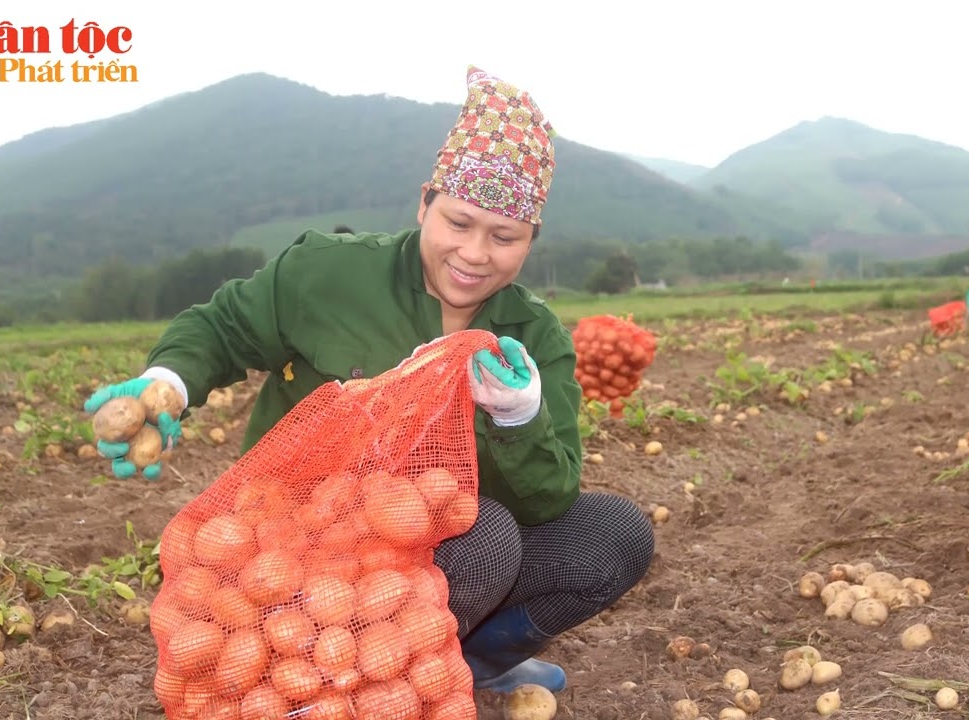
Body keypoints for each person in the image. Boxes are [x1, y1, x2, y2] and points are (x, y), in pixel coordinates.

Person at [82, 66, 655, 696]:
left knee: (611, 535)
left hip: (432, 555)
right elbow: (222, 327)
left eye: (504, 237)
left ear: (531, 241)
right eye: (458, 224)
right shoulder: (329, 273)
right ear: (424, 204)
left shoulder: (534, 337)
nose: (474, 254)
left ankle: (459, 664)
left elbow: (548, 500)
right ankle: (327, 682)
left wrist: (519, 418)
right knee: (484, 537)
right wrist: (166, 385)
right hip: (294, 540)